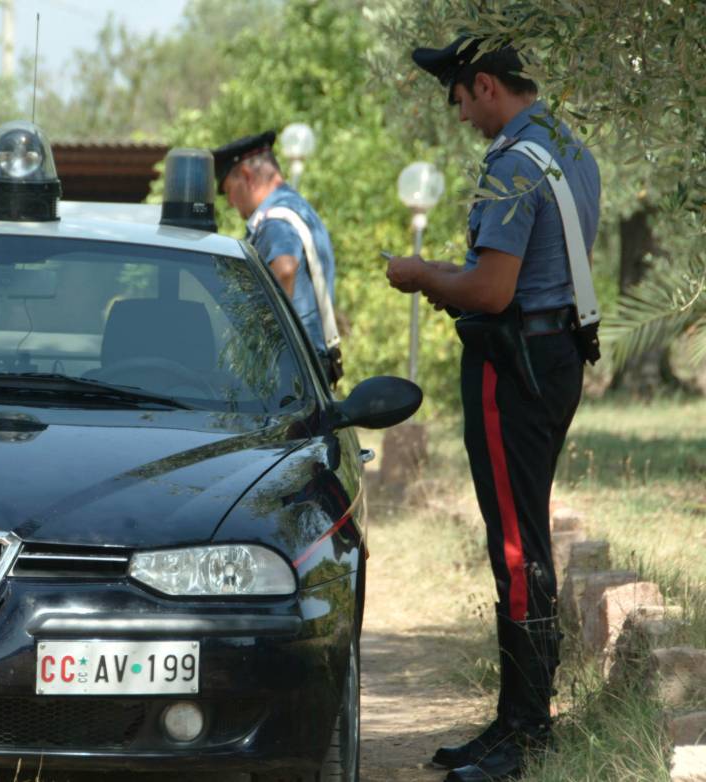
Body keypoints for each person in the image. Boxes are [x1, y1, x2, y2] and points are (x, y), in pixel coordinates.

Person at [386, 36, 601, 782]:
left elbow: (492, 291)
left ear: (484, 86)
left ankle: (527, 731)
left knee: (514, 544)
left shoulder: (512, 162)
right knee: (524, 534)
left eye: (460, 102)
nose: (463, 120)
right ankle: (517, 718)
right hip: (558, 356)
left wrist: (420, 276)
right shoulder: (568, 145)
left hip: (514, 368)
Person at [212, 130, 343, 384]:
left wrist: (263, 349)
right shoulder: (297, 207)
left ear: (247, 177)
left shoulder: (275, 219)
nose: (229, 202)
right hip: (313, 368)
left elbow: (284, 268)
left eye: (228, 190)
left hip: (292, 373)